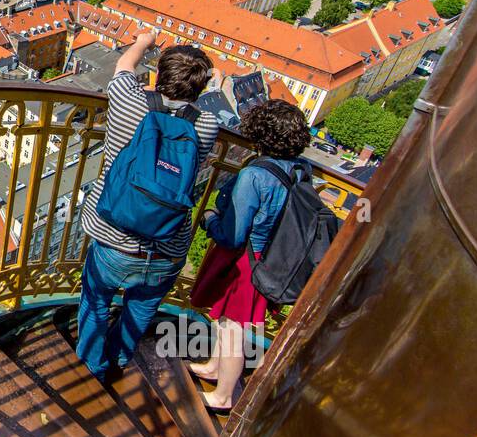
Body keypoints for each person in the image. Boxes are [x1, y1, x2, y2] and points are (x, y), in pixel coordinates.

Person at [77, 32, 219, 381]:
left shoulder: (129, 101)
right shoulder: (207, 125)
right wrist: (214, 86)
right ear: (199, 89)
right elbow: (207, 106)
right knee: (140, 310)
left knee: (96, 299)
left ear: (157, 76)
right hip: (167, 244)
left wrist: (144, 40)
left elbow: (124, 65)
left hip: (114, 233)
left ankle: (94, 362)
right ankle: (119, 357)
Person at [189, 99, 312, 411]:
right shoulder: (301, 168)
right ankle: (214, 368)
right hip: (268, 256)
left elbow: (233, 234)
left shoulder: (254, 176)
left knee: (232, 331)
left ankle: (223, 396)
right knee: (227, 322)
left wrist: (211, 219)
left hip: (245, 261)